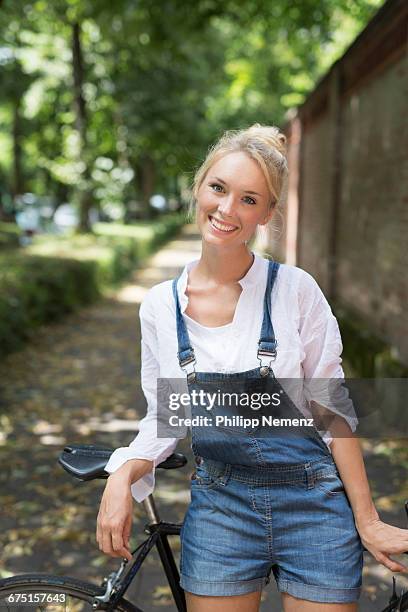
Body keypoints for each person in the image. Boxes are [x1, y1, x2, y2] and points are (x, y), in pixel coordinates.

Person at [96, 125, 408, 612]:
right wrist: (122, 475)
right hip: (222, 508)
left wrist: (367, 520)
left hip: (314, 505)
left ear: (267, 214)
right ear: (198, 187)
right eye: (218, 188)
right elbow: (167, 420)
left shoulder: (295, 291)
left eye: (248, 199)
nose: (226, 210)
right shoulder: (159, 306)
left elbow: (332, 412)